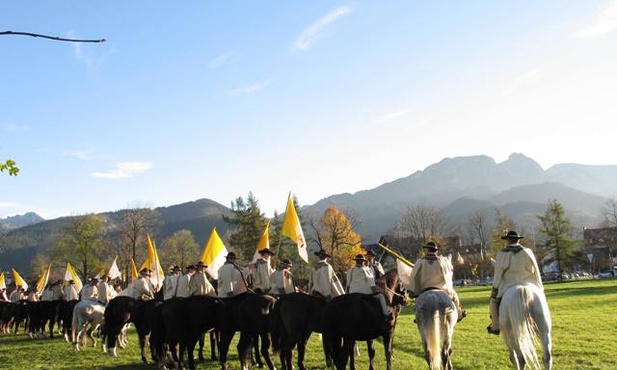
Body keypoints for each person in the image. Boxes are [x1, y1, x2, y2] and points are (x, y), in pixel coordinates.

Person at [487, 230, 544, 335]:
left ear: (508, 240)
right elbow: (535, 269)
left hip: (509, 284)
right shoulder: (528, 251)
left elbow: (498, 273)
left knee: (493, 301)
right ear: (518, 240)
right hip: (529, 282)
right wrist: (539, 286)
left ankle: (495, 326)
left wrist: (494, 290)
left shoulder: (502, 254)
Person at [409, 241, 467, 322]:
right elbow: (449, 273)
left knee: (418, 301)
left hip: (424, 291)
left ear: (427, 250)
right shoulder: (443, 261)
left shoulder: (420, 262)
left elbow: (414, 276)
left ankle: (417, 316)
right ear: (436, 251)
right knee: (455, 296)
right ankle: (459, 314)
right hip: (442, 290)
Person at [346, 254, 391, 321]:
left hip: (352, 293)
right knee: (381, 296)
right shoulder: (367, 269)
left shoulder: (350, 270)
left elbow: (348, 285)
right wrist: (377, 291)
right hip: (365, 293)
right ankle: (385, 314)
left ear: (356, 261)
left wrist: (347, 295)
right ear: (363, 261)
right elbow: (371, 284)